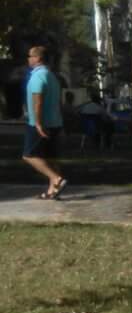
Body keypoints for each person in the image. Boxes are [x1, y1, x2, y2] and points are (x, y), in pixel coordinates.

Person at [23, 45, 67, 200]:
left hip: (40, 123)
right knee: (51, 157)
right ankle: (52, 191)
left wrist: (38, 123)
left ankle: (56, 179)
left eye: (30, 56)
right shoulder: (52, 76)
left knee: (29, 156)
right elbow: (58, 102)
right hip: (55, 122)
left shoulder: (38, 76)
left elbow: (38, 101)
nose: (28, 59)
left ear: (38, 58)